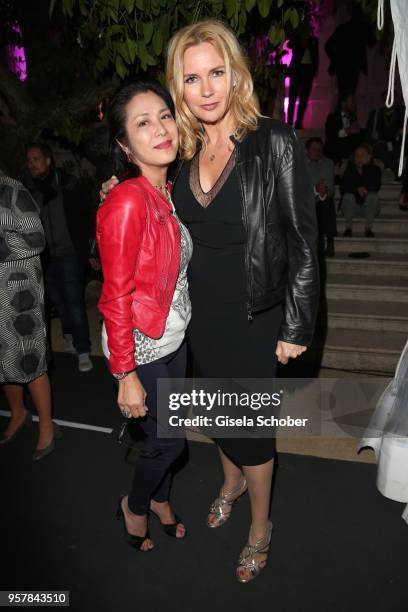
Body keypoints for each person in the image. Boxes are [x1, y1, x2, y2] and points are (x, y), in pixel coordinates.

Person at [102, 19, 319, 582]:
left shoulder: (274, 140)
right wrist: (118, 188)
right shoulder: (184, 151)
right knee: (217, 417)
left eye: (217, 72)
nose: (207, 90)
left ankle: (261, 524)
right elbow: (152, 210)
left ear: (235, 73)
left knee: (252, 430)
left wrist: (297, 323)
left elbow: (303, 240)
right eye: (192, 78)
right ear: (180, 85)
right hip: (200, 319)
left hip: (254, 318)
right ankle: (229, 483)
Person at [96, 80, 192, 552]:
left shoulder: (165, 192)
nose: (160, 128)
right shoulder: (129, 199)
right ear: (123, 144)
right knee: (171, 443)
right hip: (141, 346)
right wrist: (125, 373)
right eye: (142, 123)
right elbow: (114, 296)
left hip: (171, 339)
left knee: (167, 435)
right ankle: (136, 506)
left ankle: (161, 499)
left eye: (165, 115)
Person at [0, 171, 61, 460]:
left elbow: (37, 239)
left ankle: (47, 425)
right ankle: (18, 413)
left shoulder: (13, 191)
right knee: (3, 359)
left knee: (30, 359)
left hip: (19, 294)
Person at [25, 143, 93, 372]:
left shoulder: (67, 184)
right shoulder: (30, 191)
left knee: (74, 303)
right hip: (46, 257)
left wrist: (90, 250)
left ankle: (84, 349)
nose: (32, 164)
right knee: (60, 303)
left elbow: (85, 216)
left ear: (48, 160)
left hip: (70, 253)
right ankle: (69, 337)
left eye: (36, 159)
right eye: (29, 160)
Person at [324, 5, 371, 94]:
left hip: (343, 66)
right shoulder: (362, 29)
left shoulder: (342, 29)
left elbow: (327, 46)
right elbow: (372, 42)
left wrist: (335, 60)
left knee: (344, 96)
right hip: (354, 67)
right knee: (349, 96)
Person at [340, 143, 382, 237]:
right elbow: (343, 187)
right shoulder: (349, 169)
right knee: (348, 196)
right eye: (357, 155)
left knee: (373, 196)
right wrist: (356, 189)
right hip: (352, 207)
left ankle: (368, 228)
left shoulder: (375, 169)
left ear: (369, 157)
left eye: (362, 155)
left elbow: (375, 186)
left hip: (369, 207)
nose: (359, 158)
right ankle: (348, 228)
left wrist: (364, 169)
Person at [305, 137, 336, 257]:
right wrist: (315, 189)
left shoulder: (328, 163)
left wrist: (323, 193)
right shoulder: (299, 164)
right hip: (305, 201)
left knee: (327, 204)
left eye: (319, 149)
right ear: (306, 151)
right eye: (314, 149)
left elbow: (330, 186)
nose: (317, 152)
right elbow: (299, 187)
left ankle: (330, 242)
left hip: (322, 198)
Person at [287, 24, 319, 129]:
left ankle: (299, 122)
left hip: (308, 73)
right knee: (292, 98)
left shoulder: (314, 40)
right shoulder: (297, 40)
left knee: (304, 99)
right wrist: (299, 39)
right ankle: (289, 122)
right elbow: (290, 45)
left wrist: (315, 70)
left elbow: (316, 57)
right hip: (297, 71)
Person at [366, 102, 405, 180]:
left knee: (397, 149)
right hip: (380, 143)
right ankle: (399, 174)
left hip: (397, 143)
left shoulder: (401, 112)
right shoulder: (376, 113)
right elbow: (370, 133)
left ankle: (388, 163)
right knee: (381, 148)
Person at [325, 92, 364, 162]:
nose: (354, 104)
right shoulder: (332, 117)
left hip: (349, 151)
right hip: (336, 150)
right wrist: (348, 130)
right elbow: (331, 134)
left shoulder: (353, 118)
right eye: (351, 101)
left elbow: (356, 134)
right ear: (343, 103)